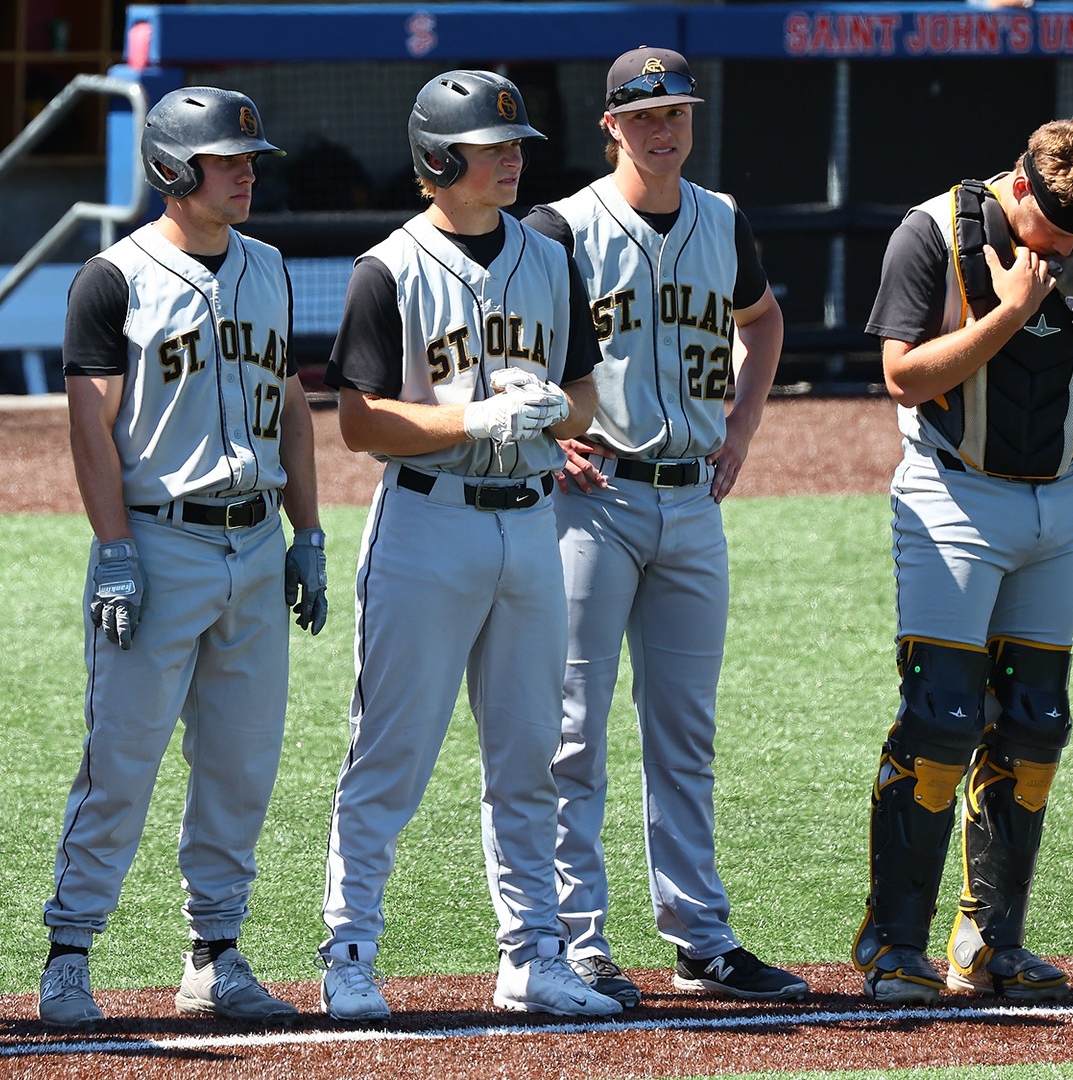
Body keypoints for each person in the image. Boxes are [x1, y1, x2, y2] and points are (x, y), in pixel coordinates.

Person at [316, 70, 612, 1023]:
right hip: (425, 524)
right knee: (389, 754)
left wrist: (548, 417)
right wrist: (478, 417)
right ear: (441, 160)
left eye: (518, 142)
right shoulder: (386, 268)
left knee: (529, 754)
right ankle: (350, 950)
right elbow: (358, 423)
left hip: (529, 524)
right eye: (497, 144)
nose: (517, 156)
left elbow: (582, 397)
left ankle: (533, 954)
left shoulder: (549, 258)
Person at [523, 45, 806, 1007]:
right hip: (589, 503)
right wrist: (540, 434)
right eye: (645, 116)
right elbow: (500, 340)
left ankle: (700, 938)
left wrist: (743, 428)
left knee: (684, 732)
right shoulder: (559, 227)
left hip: (692, 500)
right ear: (610, 125)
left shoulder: (722, 218)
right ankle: (576, 938)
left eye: (677, 112)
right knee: (571, 731)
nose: (664, 130)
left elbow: (761, 322)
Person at [37, 86, 321, 1030]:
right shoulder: (112, 278)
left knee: (241, 765)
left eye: (248, 157)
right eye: (225, 158)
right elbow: (91, 429)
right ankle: (70, 956)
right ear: (171, 170)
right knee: (121, 760)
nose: (245, 170)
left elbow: (290, 410)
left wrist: (308, 532)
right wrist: (114, 549)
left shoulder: (272, 268)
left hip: (252, 541)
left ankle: (215, 953)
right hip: (157, 542)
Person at [852, 117, 1073, 1004]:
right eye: (1061, 227)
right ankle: (891, 943)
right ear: (1024, 187)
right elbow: (904, 377)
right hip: (953, 494)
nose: (1071, 244)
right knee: (940, 714)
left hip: (1057, 499)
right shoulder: (930, 232)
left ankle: (989, 944)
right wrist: (1013, 309)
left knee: (1036, 719)